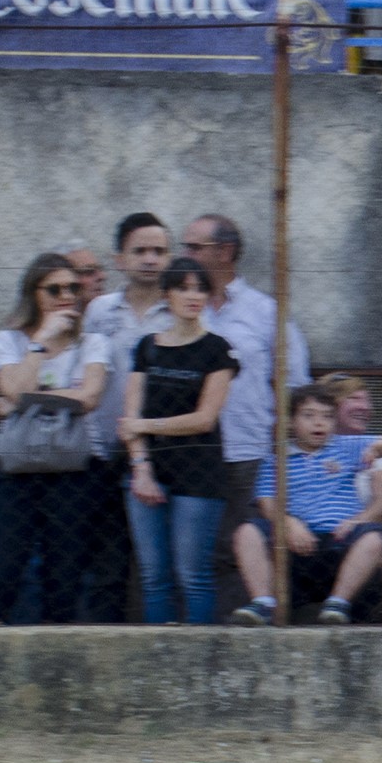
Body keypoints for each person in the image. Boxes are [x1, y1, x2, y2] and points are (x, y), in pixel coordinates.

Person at [0, 252, 111, 625]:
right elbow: (16, 388)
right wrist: (42, 342)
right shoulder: (8, 340)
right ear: (34, 293)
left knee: (64, 577)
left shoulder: (92, 343)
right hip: (15, 470)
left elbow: (89, 399)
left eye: (73, 287)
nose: (67, 295)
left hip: (71, 470)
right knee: (0, 571)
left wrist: (21, 402)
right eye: (55, 289)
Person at [118, 256, 237, 627]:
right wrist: (141, 468)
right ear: (166, 294)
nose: (193, 295)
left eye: (200, 288)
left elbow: (204, 419)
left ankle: (201, 666)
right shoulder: (146, 347)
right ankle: (159, 665)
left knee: (193, 576)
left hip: (199, 475)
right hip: (148, 471)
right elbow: (128, 418)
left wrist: (145, 425)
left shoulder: (217, 349)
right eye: (183, 288)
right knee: (155, 579)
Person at [230, 385, 382, 624]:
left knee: (374, 537)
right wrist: (288, 522)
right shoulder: (277, 459)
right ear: (291, 422)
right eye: (309, 415)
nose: (319, 423)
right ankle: (263, 603)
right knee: (246, 532)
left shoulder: (346, 447)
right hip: (294, 540)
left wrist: (378, 448)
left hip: (340, 536)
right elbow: (266, 501)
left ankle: (338, 603)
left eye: (327, 417)